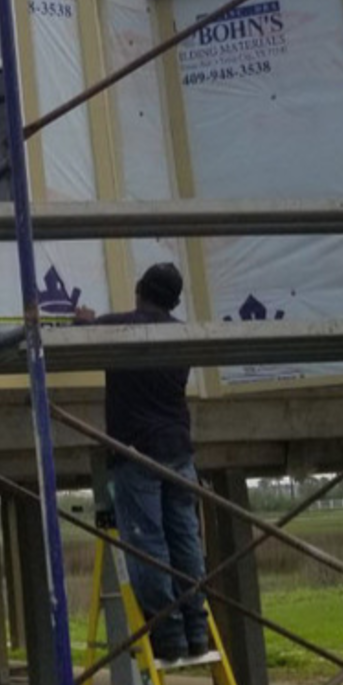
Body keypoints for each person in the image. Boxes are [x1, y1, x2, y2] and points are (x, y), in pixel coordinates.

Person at [75, 262, 209, 662]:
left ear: (139, 291)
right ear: (173, 302)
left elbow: (84, 330)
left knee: (148, 543)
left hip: (137, 453)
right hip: (179, 451)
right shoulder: (181, 335)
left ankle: (167, 635)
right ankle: (196, 630)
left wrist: (84, 320)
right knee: (185, 539)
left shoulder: (121, 326)